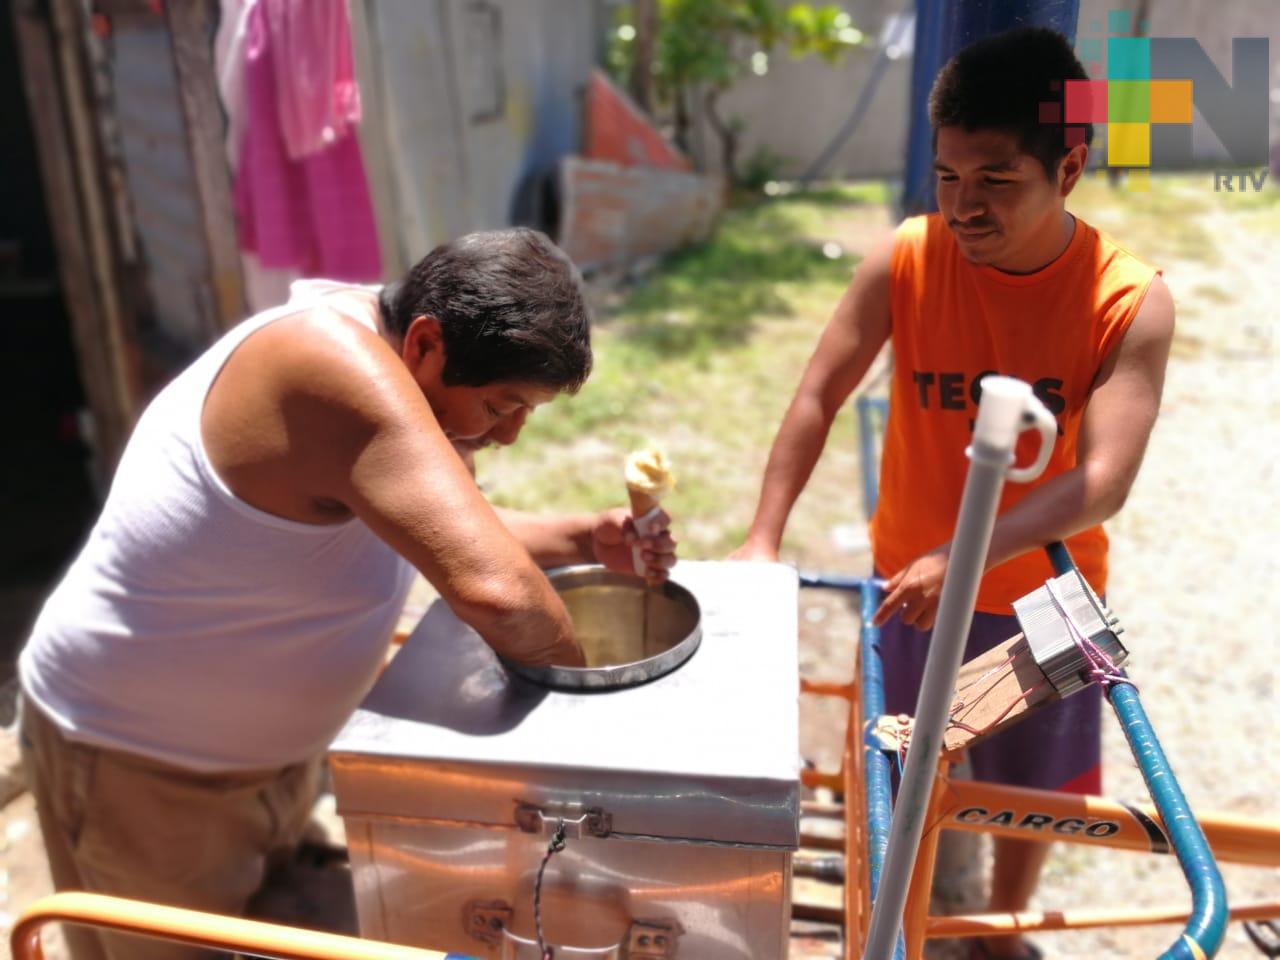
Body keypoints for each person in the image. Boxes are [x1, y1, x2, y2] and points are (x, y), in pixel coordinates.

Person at [19, 227, 677, 960]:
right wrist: (599, 745)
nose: (510, 435)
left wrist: (584, 538)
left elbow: (439, 527)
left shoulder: (391, 364)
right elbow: (504, 597)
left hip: (267, 765)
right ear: (425, 344)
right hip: (140, 770)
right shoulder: (334, 368)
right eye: (500, 406)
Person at [732, 27, 1174, 959]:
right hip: (915, 583)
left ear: (1069, 168)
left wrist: (960, 557)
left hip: (1042, 602)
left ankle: (1003, 935)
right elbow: (816, 396)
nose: (964, 206)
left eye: (997, 180)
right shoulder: (908, 257)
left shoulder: (1127, 300)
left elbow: (1102, 483)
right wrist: (763, 538)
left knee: (1030, 795)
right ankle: (907, 921)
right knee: (904, 771)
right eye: (947, 176)